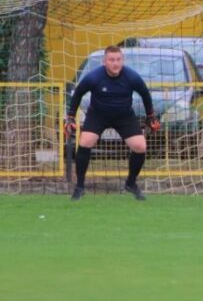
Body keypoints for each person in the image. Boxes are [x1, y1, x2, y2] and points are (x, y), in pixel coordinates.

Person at [65, 45, 159, 201]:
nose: (115, 63)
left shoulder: (131, 76)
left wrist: (150, 116)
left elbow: (145, 93)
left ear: (122, 61)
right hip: (98, 114)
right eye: (111, 60)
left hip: (124, 116)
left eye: (118, 60)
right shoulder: (94, 77)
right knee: (85, 141)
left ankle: (131, 183)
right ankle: (80, 187)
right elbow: (78, 93)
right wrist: (70, 117)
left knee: (140, 146)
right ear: (104, 62)